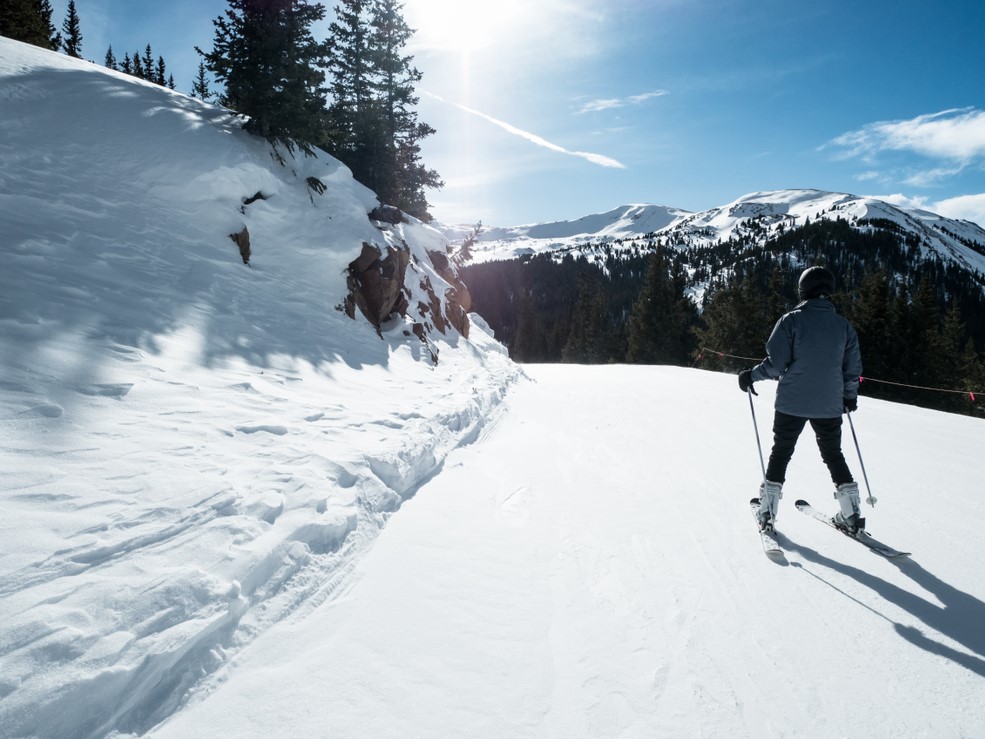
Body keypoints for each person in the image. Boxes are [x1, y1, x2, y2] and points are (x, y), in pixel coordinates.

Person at [737, 266, 864, 534]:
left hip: (792, 402)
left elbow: (775, 364)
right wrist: (849, 397)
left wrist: (750, 376)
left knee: (781, 452)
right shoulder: (843, 326)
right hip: (829, 404)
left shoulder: (791, 320)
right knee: (833, 454)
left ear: (803, 289)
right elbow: (852, 369)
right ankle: (851, 513)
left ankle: (768, 511)